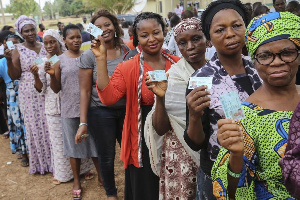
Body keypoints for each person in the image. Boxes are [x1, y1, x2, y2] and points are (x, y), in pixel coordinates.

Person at [212, 12, 300, 199]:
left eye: (287, 53)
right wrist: (236, 156)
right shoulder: (244, 116)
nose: (277, 62)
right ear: (254, 59)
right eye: (265, 56)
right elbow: (228, 191)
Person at [93, 12, 180, 200]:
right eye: (144, 35)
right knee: (147, 187)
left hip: (176, 133)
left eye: (156, 32)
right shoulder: (128, 67)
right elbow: (108, 98)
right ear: (136, 38)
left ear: (164, 32)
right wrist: (101, 59)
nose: (151, 39)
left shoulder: (177, 64)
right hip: (144, 136)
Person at [183, 0, 262, 199]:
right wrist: (193, 115)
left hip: (262, 171)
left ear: (246, 27)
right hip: (219, 175)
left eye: (236, 25)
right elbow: (196, 142)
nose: (230, 34)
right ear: (209, 38)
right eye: (220, 30)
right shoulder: (201, 80)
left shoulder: (261, 67)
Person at [144, 17, 207, 199]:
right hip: (181, 154)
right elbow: (161, 128)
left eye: (196, 39)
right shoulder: (173, 76)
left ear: (207, 40)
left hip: (212, 151)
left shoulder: (218, 71)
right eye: (182, 42)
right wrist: (160, 99)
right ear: (177, 46)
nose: (190, 46)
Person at [75, 9, 130, 200]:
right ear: (92, 32)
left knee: (129, 154)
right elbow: (85, 91)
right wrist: (83, 123)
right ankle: (111, 194)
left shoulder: (127, 52)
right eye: (98, 27)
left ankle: (132, 190)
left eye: (107, 24)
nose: (104, 29)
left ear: (115, 26)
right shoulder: (89, 56)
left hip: (126, 110)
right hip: (100, 112)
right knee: (106, 157)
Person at [49, 24, 101, 199]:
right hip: (69, 109)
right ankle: (76, 182)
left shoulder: (89, 55)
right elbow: (56, 89)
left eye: (78, 37)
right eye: (71, 38)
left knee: (94, 143)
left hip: (90, 107)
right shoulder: (59, 60)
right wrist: (51, 75)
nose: (76, 40)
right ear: (64, 40)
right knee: (73, 147)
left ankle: (102, 176)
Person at [7, 15, 52, 174]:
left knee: (50, 124)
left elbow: (54, 61)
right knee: (35, 126)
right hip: (29, 92)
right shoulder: (18, 49)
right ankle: (42, 164)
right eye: (26, 31)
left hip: (48, 88)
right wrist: (8, 60)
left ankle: (55, 163)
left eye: (32, 29)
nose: (31, 33)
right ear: (21, 32)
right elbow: (15, 75)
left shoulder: (45, 45)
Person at [1, 32, 27, 166]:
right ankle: (22, 152)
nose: (13, 46)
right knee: (18, 125)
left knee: (27, 123)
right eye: (10, 43)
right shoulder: (2, 61)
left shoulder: (25, 56)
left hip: (26, 93)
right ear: (4, 44)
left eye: (15, 43)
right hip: (12, 96)